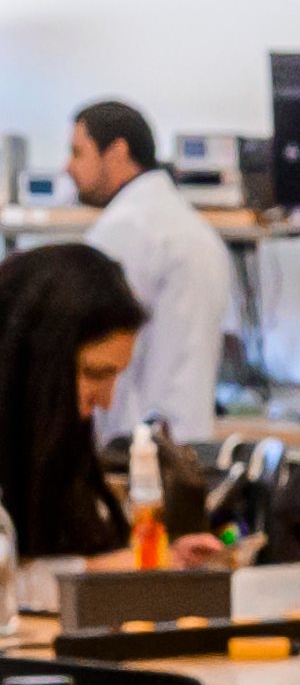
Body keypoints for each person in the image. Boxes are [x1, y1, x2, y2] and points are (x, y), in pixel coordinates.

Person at [66, 99, 228, 442]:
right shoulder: (194, 229)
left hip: (134, 442)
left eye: (78, 153)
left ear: (117, 151)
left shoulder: (125, 232)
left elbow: (94, 351)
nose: (67, 167)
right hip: (186, 436)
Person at [0, 241, 148, 565]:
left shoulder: (51, 447)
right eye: (95, 373)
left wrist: (153, 562)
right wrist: (97, 572)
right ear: (35, 363)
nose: (106, 401)